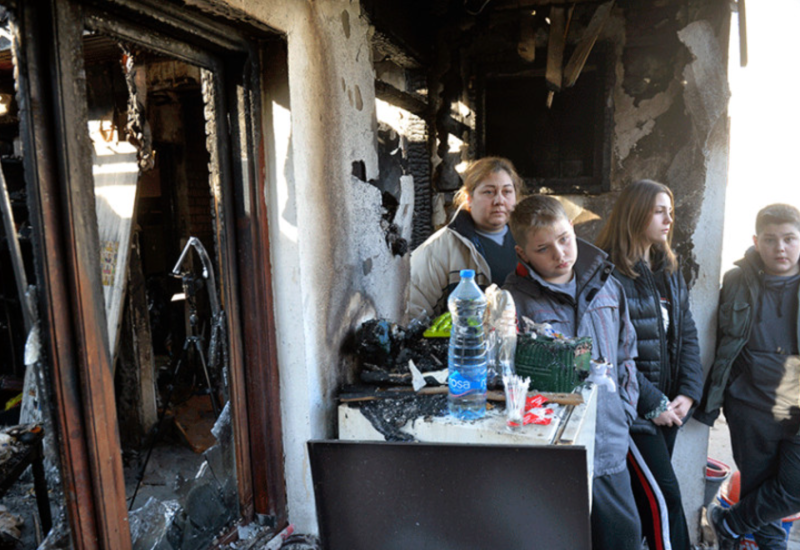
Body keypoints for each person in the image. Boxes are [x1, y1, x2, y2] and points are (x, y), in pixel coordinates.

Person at [503, 194, 642, 550]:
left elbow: (627, 352)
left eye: (565, 239)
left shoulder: (607, 283)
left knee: (621, 539)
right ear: (523, 254)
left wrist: (624, 408)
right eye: (543, 248)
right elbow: (506, 375)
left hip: (610, 442)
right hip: (552, 449)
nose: (560, 254)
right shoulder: (514, 300)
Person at [595, 180, 703, 550]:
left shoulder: (667, 268)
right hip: (634, 413)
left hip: (669, 409)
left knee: (647, 503)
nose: (669, 219)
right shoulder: (606, 272)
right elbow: (608, 353)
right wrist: (652, 402)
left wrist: (687, 393)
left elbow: (687, 334)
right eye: (660, 211)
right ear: (635, 213)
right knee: (665, 500)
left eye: (670, 211)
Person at [695, 203, 800, 550]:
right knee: (759, 494)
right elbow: (724, 340)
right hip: (750, 404)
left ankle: (728, 523)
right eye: (770, 240)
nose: (779, 248)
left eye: (789, 239)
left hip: (796, 400)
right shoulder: (736, 280)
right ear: (756, 241)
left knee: (793, 490)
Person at [408, 157, 523, 319]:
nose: (499, 201)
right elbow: (411, 312)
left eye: (507, 191)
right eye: (489, 192)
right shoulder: (438, 249)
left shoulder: (531, 243)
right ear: (469, 198)